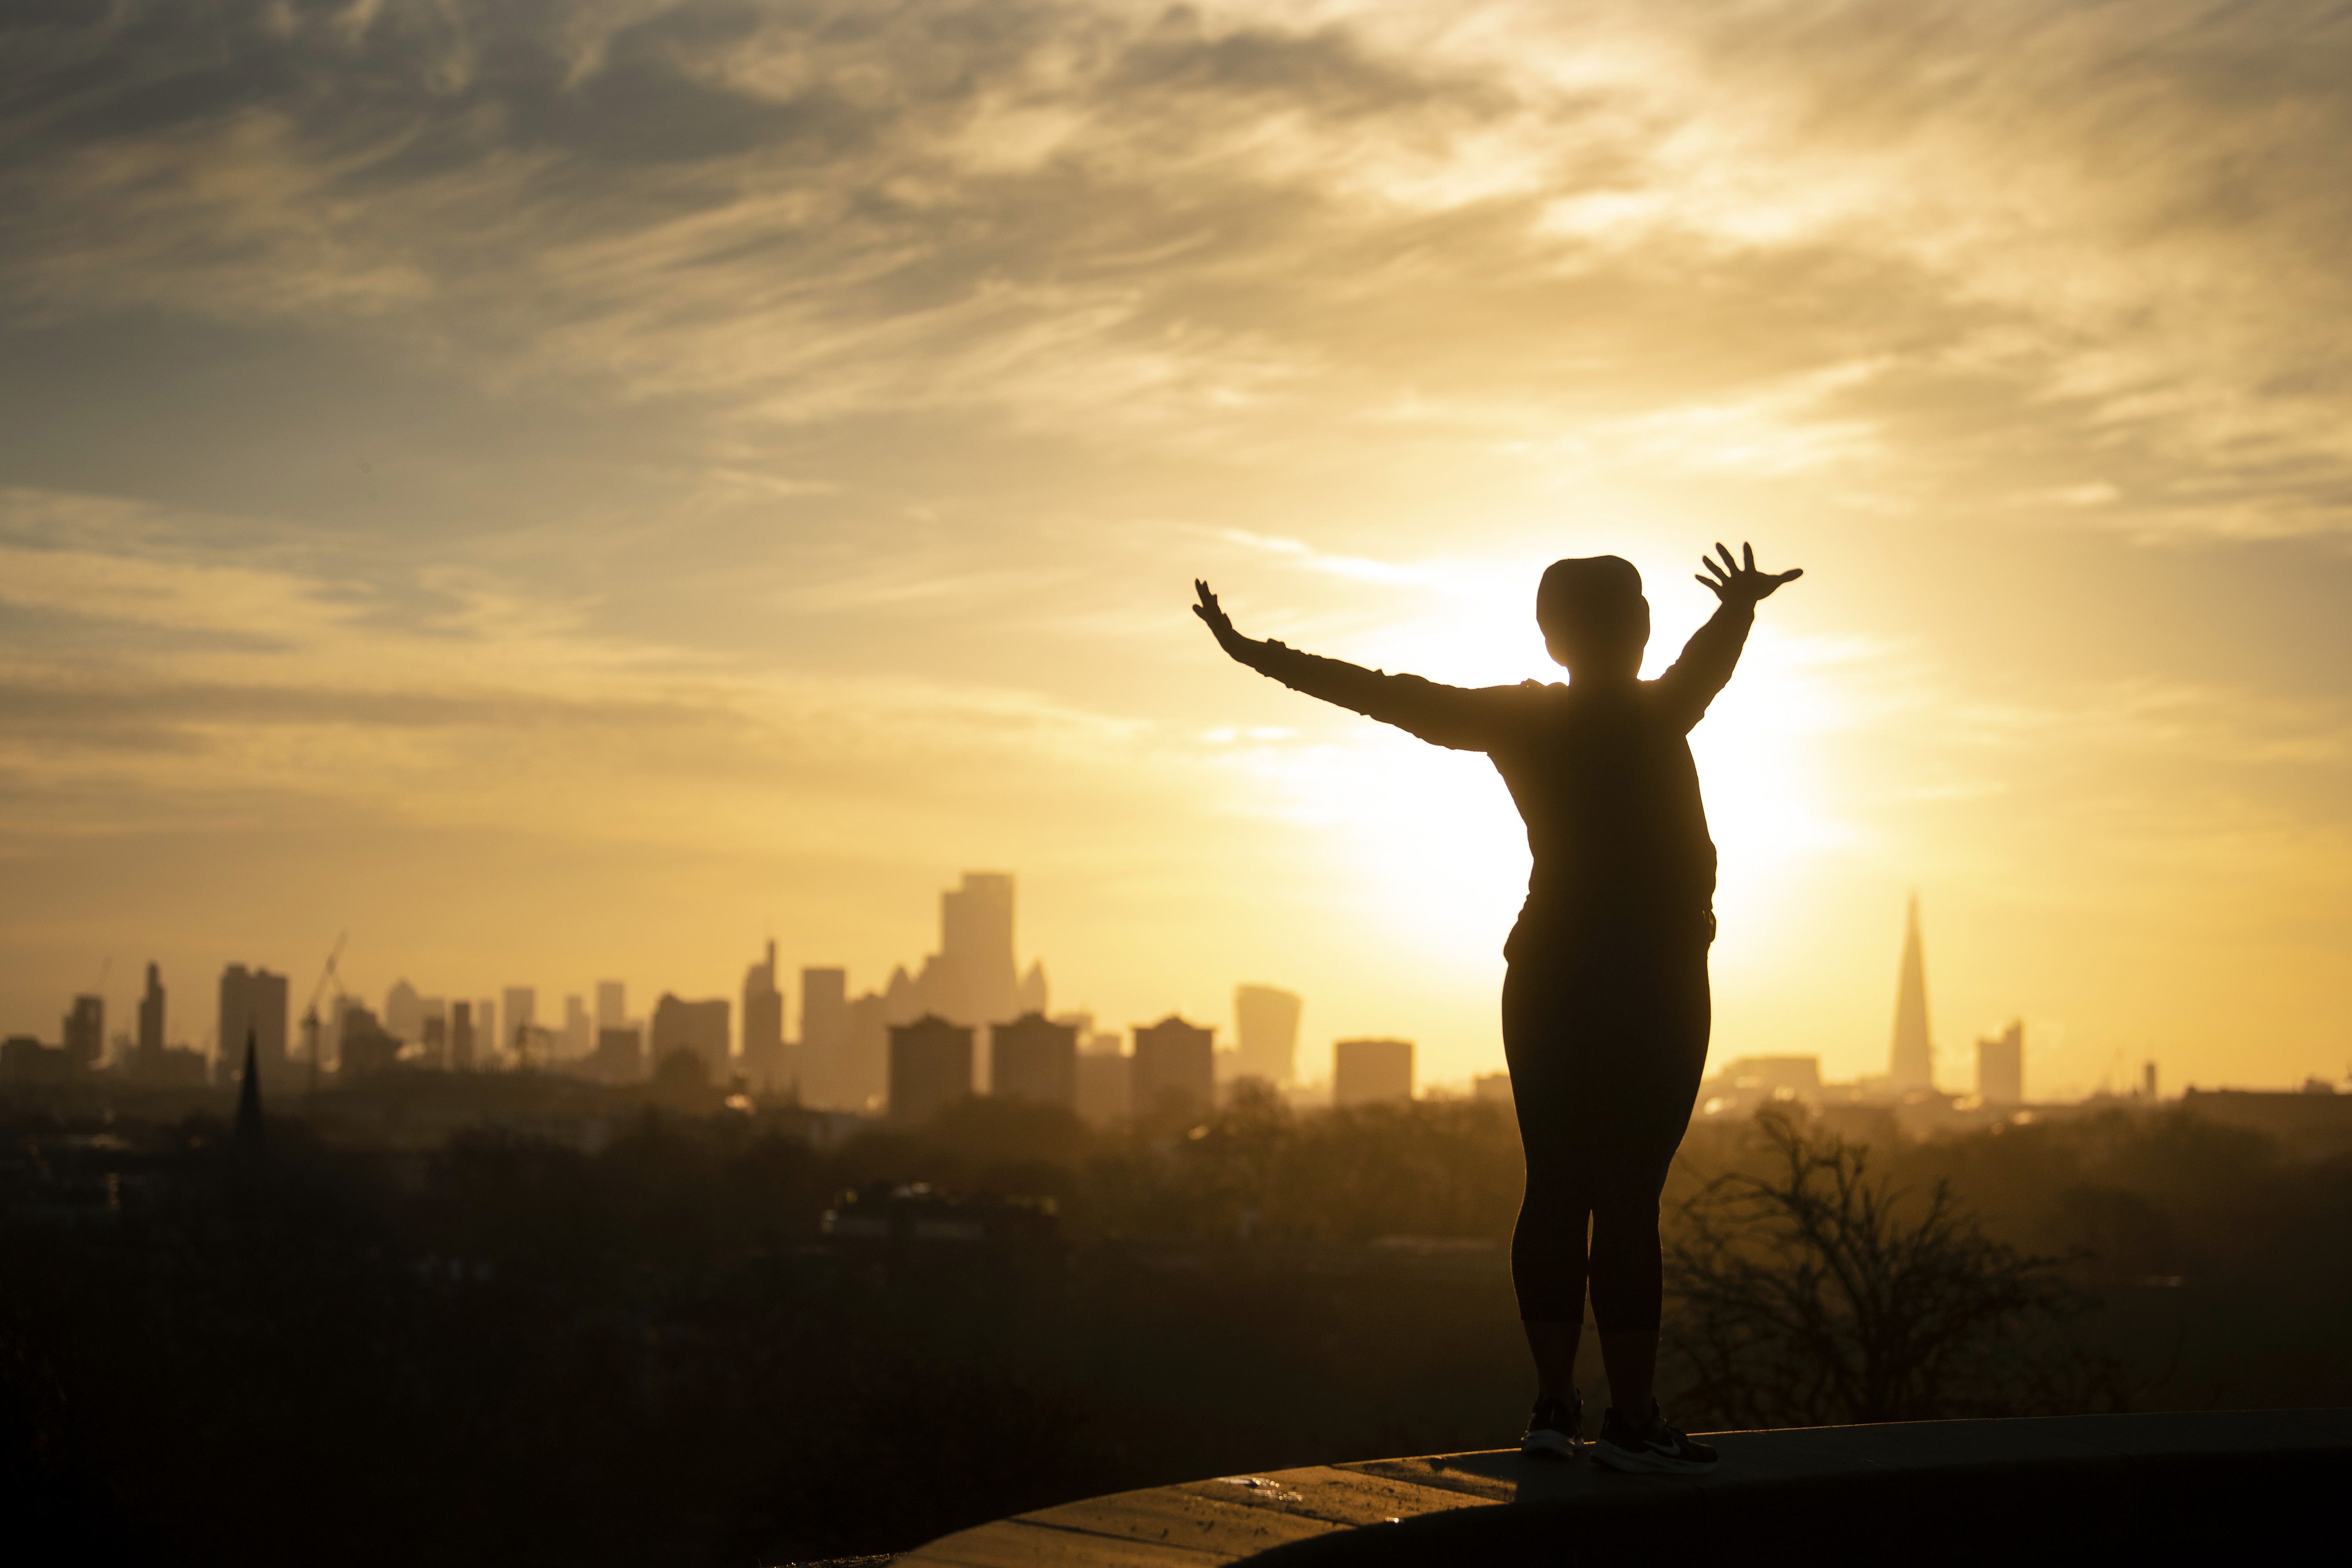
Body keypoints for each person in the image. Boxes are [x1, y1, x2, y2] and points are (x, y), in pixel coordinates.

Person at [1192, 542, 1802, 1474]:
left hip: (1552, 973)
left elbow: (1383, 691)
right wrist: (1737, 611)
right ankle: (1630, 1419)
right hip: (1656, 981)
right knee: (1627, 1201)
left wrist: (1254, 653)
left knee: (1556, 1183)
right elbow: (1703, 666)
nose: (1641, 629)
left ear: (1552, 637)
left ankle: (1555, 1408)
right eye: (1633, 613)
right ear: (1630, 631)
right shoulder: (1656, 711)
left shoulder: (1525, 719)